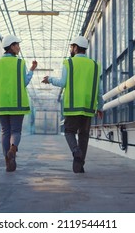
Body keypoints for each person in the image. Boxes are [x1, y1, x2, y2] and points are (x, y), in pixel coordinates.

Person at [41, 36, 103, 173]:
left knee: (69, 132)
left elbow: (63, 83)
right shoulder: (95, 65)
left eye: (71, 47)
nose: (71, 49)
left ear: (75, 47)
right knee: (84, 135)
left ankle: (76, 152)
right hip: (88, 107)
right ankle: (79, 165)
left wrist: (50, 79)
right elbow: (100, 89)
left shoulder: (68, 63)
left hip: (72, 106)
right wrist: (100, 107)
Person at [0, 34, 37, 172]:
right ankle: (13, 150)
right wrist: (32, 70)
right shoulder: (19, 63)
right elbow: (25, 82)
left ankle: (8, 159)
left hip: (1, 104)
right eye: (17, 45)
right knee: (16, 131)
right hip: (17, 104)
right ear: (12, 46)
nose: (19, 47)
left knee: (5, 131)